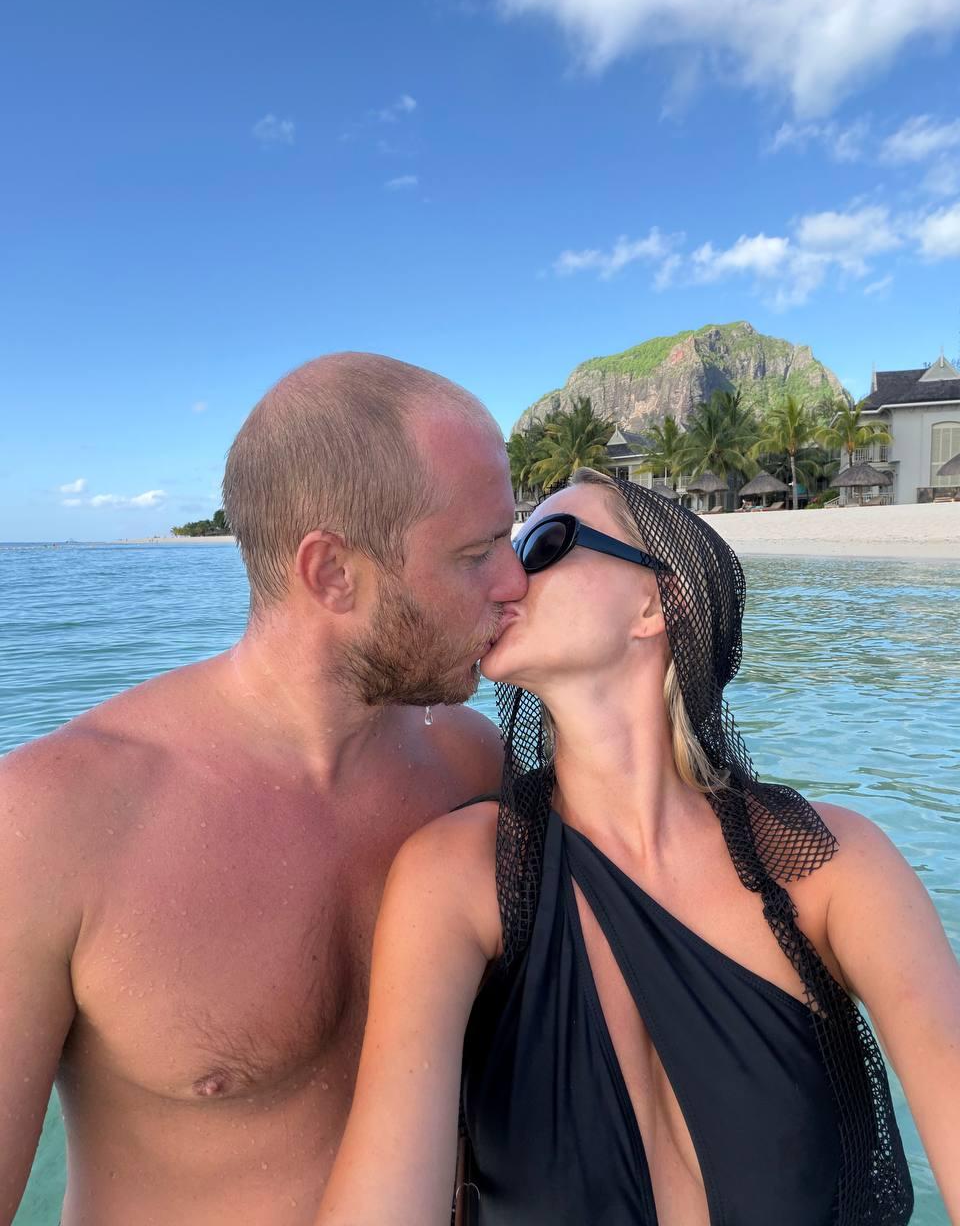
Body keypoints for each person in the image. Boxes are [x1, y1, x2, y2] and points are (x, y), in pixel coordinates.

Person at [318, 469, 960, 1226]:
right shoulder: (455, 878)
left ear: (657, 602)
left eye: (544, 544)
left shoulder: (833, 866)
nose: (504, 577)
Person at [0, 353, 527, 1226]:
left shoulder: (472, 766)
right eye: (476, 554)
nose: (514, 583)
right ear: (331, 573)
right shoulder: (53, 820)